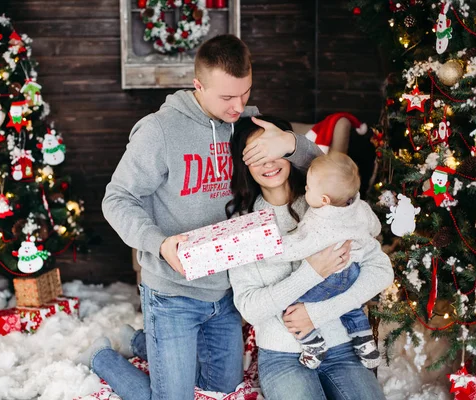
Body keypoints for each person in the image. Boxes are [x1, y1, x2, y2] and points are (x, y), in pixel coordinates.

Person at [96, 35, 324, 400]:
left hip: (228, 293)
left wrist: (291, 143)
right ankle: (103, 357)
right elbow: (117, 198)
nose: (239, 106)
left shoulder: (249, 123)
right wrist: (159, 243)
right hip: (173, 293)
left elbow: (321, 168)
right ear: (198, 85)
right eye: (227, 97)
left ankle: (143, 343)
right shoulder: (159, 131)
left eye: (245, 93)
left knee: (221, 389)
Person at [227, 115, 393, 400]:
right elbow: (249, 308)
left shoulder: (327, 203)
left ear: (289, 152)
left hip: (343, 348)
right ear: (244, 164)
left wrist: (317, 314)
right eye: (256, 155)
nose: (268, 163)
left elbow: (381, 270)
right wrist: (312, 272)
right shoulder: (244, 225)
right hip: (283, 356)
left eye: (274, 151)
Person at [268, 151, 383, 370]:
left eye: (309, 188)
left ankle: (313, 343)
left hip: (330, 277)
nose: (305, 190)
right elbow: (375, 227)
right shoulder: (360, 207)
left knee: (290, 306)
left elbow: (297, 246)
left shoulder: (319, 221)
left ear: (324, 200)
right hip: (353, 270)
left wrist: (271, 249)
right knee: (351, 306)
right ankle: (364, 340)